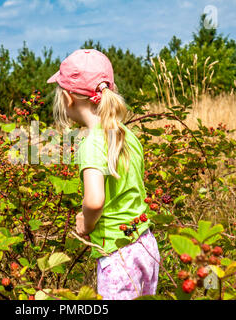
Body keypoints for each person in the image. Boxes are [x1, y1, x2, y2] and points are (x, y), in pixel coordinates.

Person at [46, 49, 160, 300]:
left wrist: (85, 224)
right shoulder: (126, 135)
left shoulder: (91, 144)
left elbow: (95, 201)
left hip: (118, 255)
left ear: (67, 98)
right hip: (145, 244)